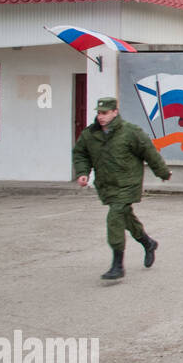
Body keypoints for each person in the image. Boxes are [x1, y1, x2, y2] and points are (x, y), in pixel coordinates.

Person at [72, 96, 172, 281]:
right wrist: (82, 172)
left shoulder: (130, 132)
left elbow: (149, 152)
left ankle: (117, 265)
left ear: (115, 112)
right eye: (99, 113)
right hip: (106, 185)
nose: (101, 117)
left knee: (115, 216)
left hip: (128, 183)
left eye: (105, 113)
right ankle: (148, 243)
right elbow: (80, 154)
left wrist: (163, 172)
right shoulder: (90, 134)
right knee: (125, 216)